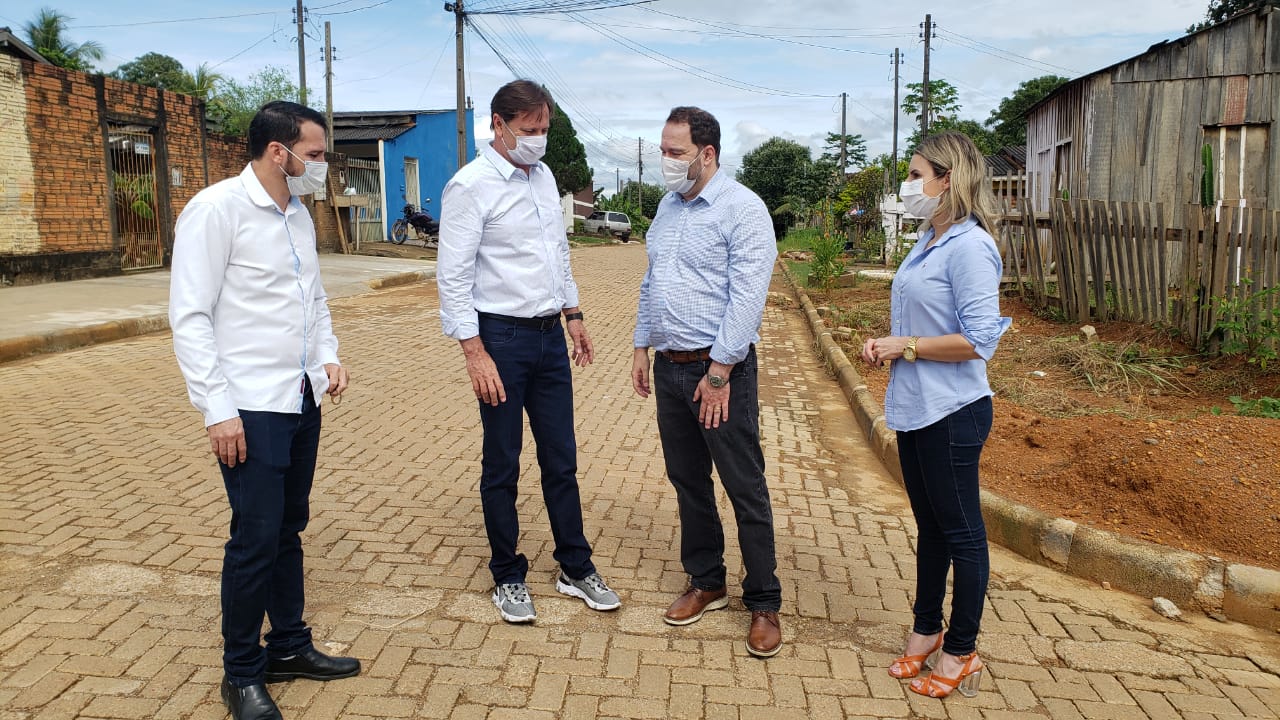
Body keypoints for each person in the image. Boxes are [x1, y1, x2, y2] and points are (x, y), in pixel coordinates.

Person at [170, 100, 360, 720]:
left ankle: (288, 645)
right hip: (248, 405)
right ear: (279, 152)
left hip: (300, 396)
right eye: (315, 153)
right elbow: (191, 318)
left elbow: (314, 299)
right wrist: (216, 409)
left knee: (288, 528)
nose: (322, 164)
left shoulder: (297, 213)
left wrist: (326, 355)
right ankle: (241, 674)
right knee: (254, 538)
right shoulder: (216, 209)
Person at [437, 79, 620, 624]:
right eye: (529, 130)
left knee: (561, 459)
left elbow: (558, 255)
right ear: (498, 125)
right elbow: (452, 277)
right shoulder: (470, 187)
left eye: (544, 130)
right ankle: (507, 574)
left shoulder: (544, 178)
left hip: (547, 338)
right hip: (502, 339)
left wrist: (575, 314)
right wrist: (475, 352)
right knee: (503, 463)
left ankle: (575, 565)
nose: (538, 141)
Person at [860, 131, 1011, 699]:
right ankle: (926, 631)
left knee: (964, 534)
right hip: (919, 408)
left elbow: (979, 340)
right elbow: (918, 322)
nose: (909, 183)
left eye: (917, 172)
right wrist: (889, 343)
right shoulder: (928, 238)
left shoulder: (972, 246)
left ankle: (962, 650)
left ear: (947, 179)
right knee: (932, 528)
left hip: (955, 412)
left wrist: (909, 346)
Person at [631, 106, 782, 658]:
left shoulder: (743, 210)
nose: (666, 161)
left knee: (744, 484)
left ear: (707, 153)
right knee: (687, 480)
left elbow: (748, 297)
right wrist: (641, 346)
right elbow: (652, 282)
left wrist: (719, 373)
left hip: (720, 373)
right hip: (671, 368)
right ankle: (707, 581)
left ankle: (764, 601)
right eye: (665, 149)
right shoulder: (667, 210)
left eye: (676, 152)